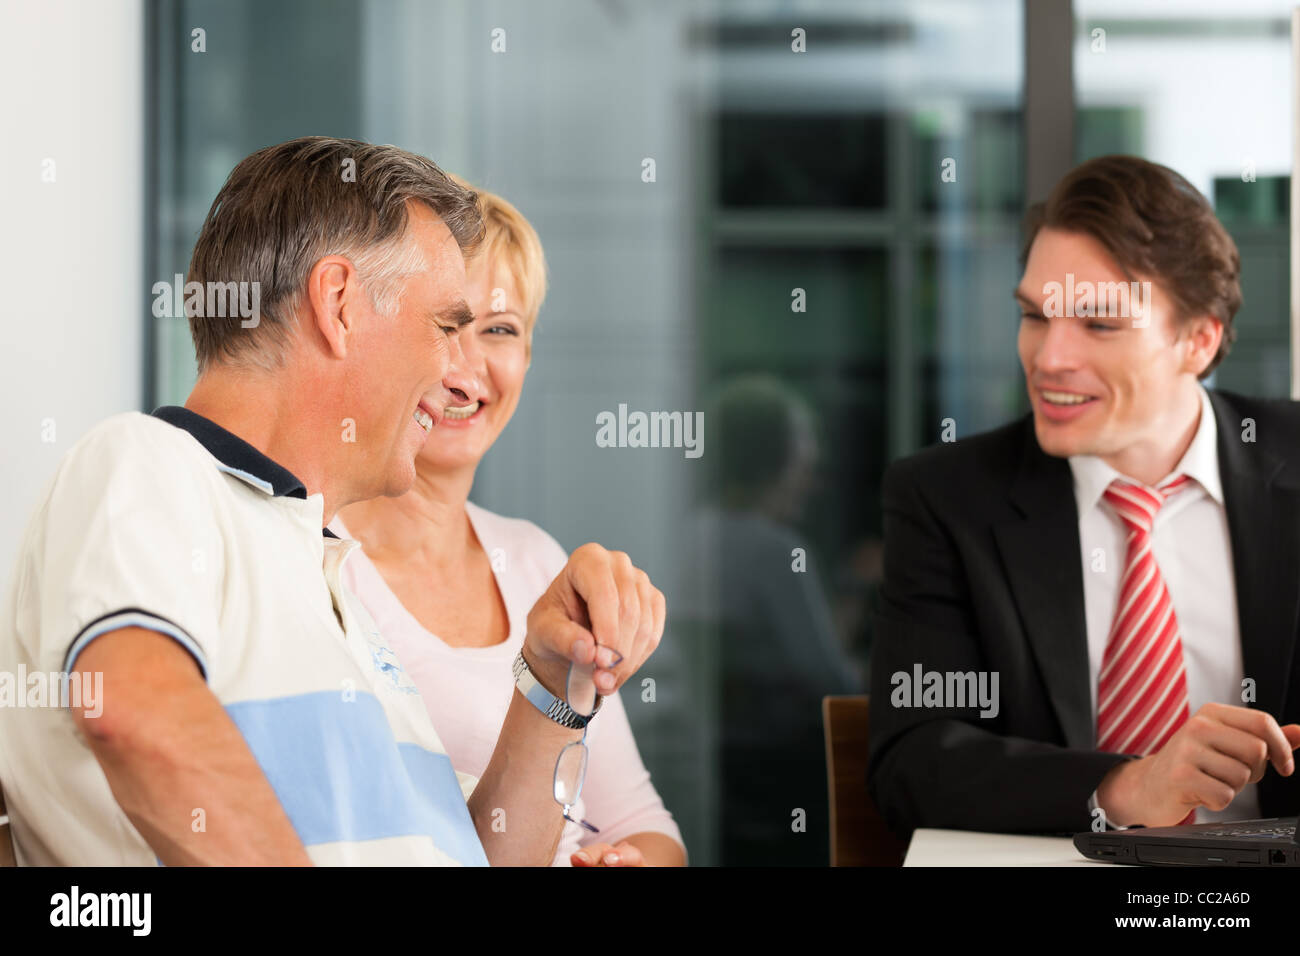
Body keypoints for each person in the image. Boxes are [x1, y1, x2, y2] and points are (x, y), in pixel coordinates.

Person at [0, 136, 664, 866]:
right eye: (445, 326)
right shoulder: (144, 465)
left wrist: (547, 684)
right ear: (340, 304)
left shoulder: (322, 571)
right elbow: (132, 713)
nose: (457, 374)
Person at [868, 155, 1300, 837]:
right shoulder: (946, 499)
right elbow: (913, 759)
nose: (1048, 358)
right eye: (1036, 315)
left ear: (1198, 340)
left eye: (1098, 325)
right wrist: (1125, 788)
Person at [334, 184, 686, 867]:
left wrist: (628, 862)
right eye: (444, 326)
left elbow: (645, 823)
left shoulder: (532, 559)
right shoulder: (316, 566)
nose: (468, 371)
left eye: (501, 329)